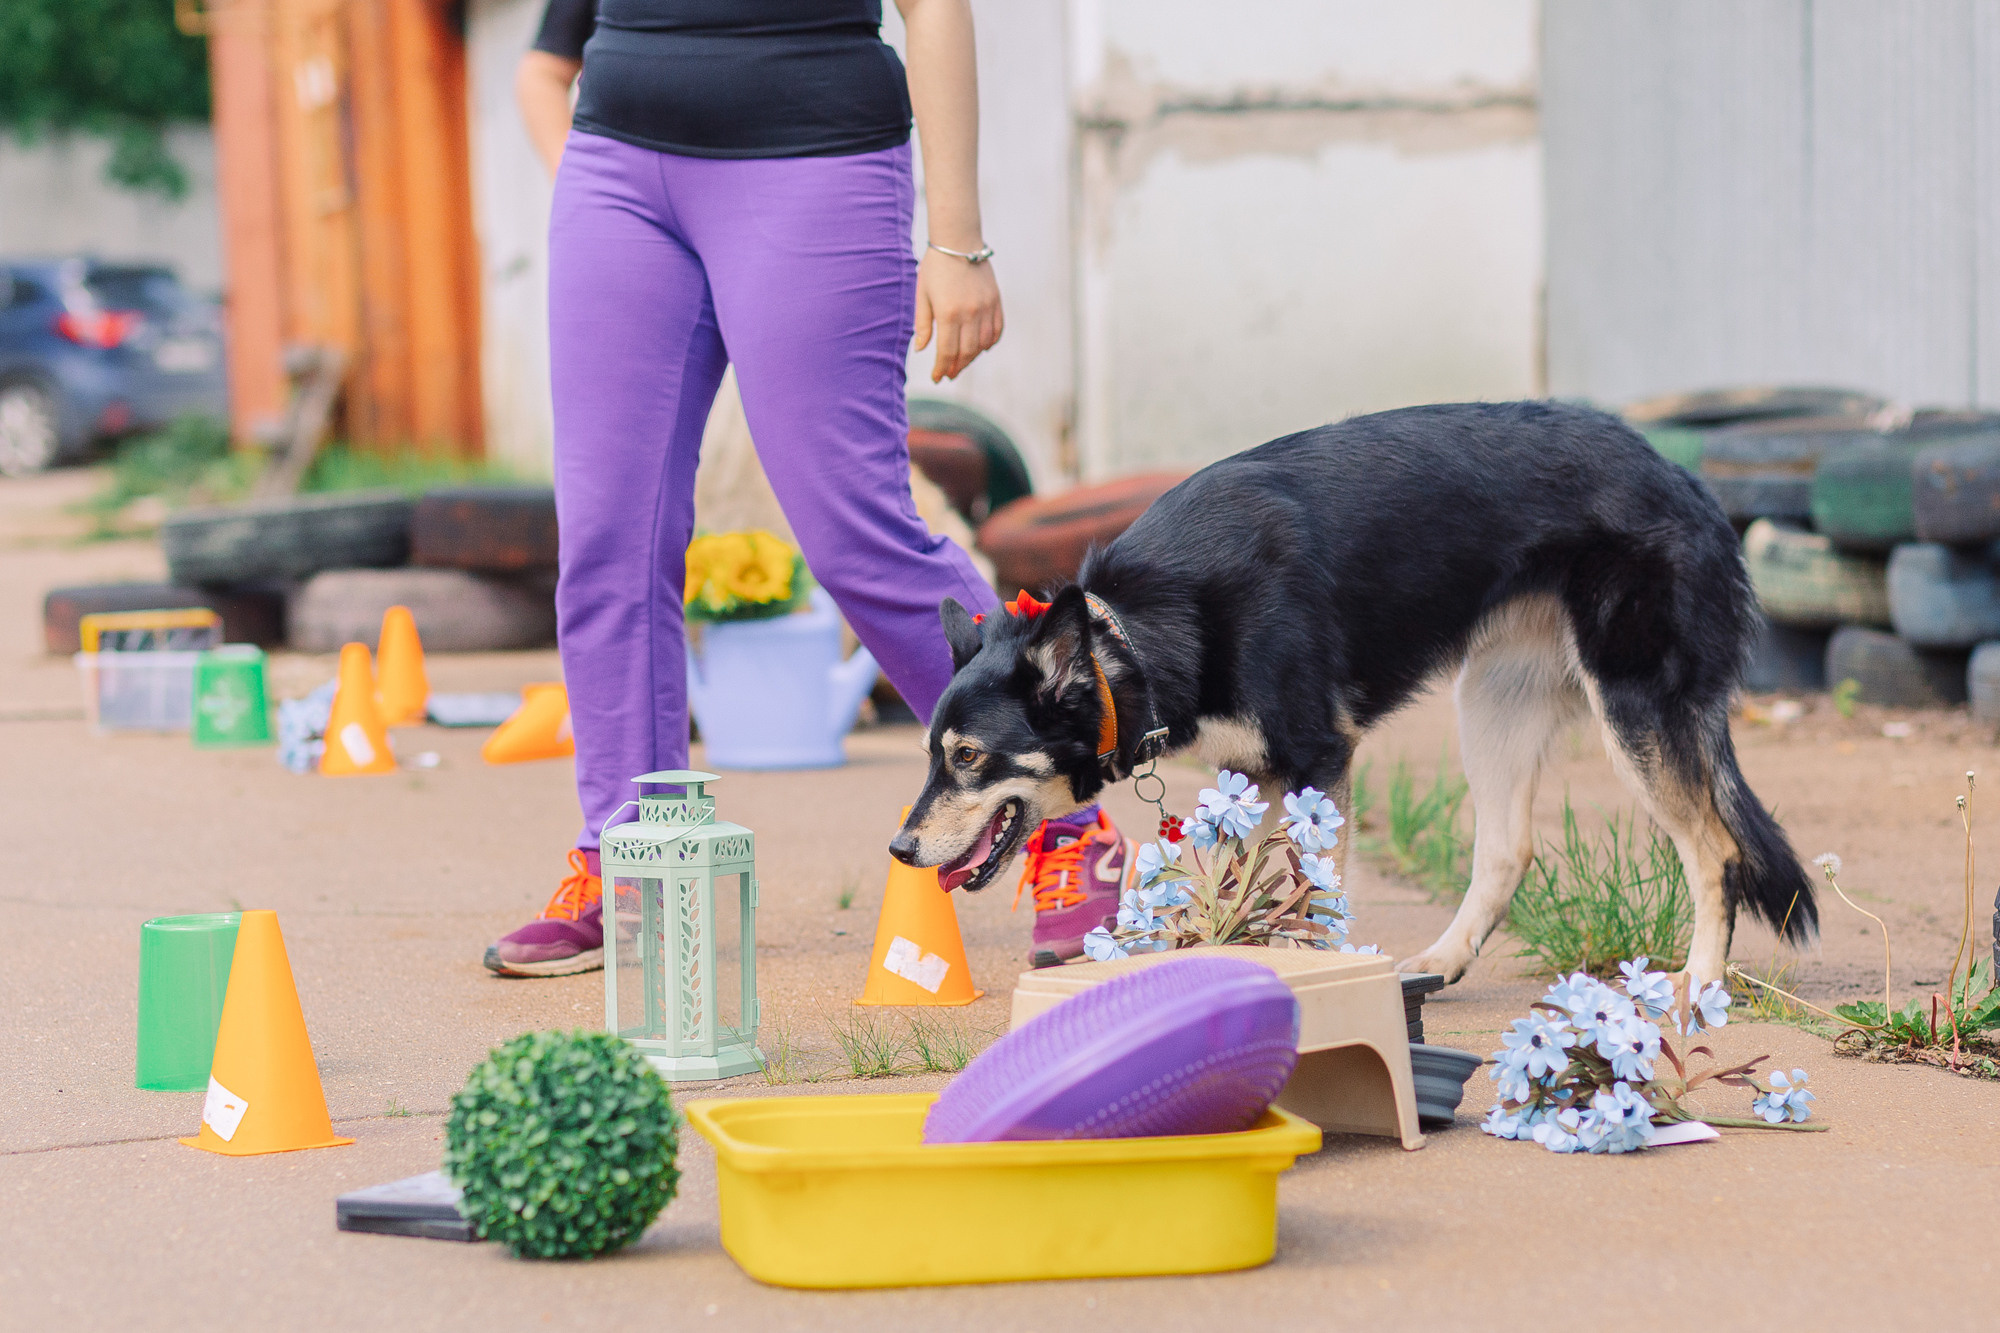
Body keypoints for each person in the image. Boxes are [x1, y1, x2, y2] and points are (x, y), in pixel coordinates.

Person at [486, 0, 1132, 979]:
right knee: (609, 542)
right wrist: (580, 191)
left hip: (813, 163)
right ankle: (631, 860)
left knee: (854, 533)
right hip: (616, 174)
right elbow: (548, 59)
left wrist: (957, 242)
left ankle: (1062, 818)